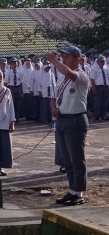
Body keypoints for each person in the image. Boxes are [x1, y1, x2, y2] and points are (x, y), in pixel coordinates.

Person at [47, 45, 89, 206]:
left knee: (76, 158)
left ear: (77, 59)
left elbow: (68, 73)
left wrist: (54, 61)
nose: (64, 59)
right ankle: (72, 190)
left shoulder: (81, 75)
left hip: (75, 120)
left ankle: (78, 193)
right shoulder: (61, 79)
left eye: (68, 57)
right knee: (66, 160)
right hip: (62, 120)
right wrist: (54, 109)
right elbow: (54, 97)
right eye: (63, 57)